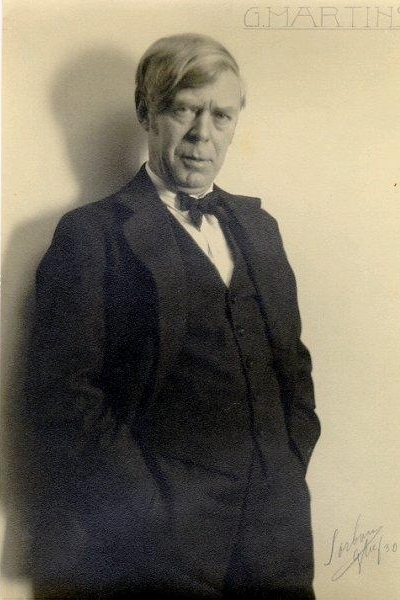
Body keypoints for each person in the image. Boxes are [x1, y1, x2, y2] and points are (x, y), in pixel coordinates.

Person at [26, 33, 321, 599]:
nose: (202, 134)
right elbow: (66, 399)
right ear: (146, 112)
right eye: (185, 110)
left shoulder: (260, 229)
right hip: (158, 550)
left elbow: (293, 365)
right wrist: (148, 510)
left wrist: (288, 466)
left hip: (277, 537)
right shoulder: (90, 236)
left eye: (221, 115)